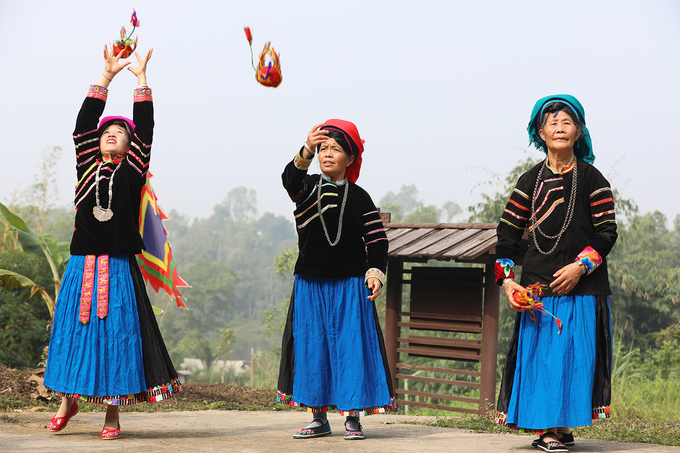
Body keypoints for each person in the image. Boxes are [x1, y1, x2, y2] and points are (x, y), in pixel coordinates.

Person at [43, 45, 182, 440]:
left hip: (119, 267)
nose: (109, 135)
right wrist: (106, 77)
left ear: (129, 146)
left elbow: (146, 127)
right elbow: (83, 123)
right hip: (81, 267)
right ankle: (66, 403)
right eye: (106, 132)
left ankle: (112, 416)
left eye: (118, 133)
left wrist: (140, 79)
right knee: (74, 335)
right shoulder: (87, 163)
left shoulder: (135, 170)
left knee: (117, 339)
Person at [494, 95, 617, 452]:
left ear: (579, 132)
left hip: (582, 289)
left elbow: (607, 231)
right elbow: (506, 234)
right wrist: (508, 281)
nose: (560, 127)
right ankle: (547, 430)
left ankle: (560, 428)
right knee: (545, 359)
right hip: (538, 290)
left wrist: (581, 266)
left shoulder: (593, 179)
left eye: (567, 122)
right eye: (552, 123)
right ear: (540, 132)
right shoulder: (529, 181)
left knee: (572, 359)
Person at [277, 120, 396, 440]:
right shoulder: (306, 188)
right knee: (312, 347)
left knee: (350, 348)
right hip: (310, 284)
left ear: (351, 158)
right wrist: (305, 148)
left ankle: (352, 418)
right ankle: (318, 418)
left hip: (350, 286)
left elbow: (378, 242)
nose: (327, 154)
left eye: (336, 149)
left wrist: (375, 274)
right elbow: (289, 178)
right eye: (323, 148)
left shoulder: (360, 197)